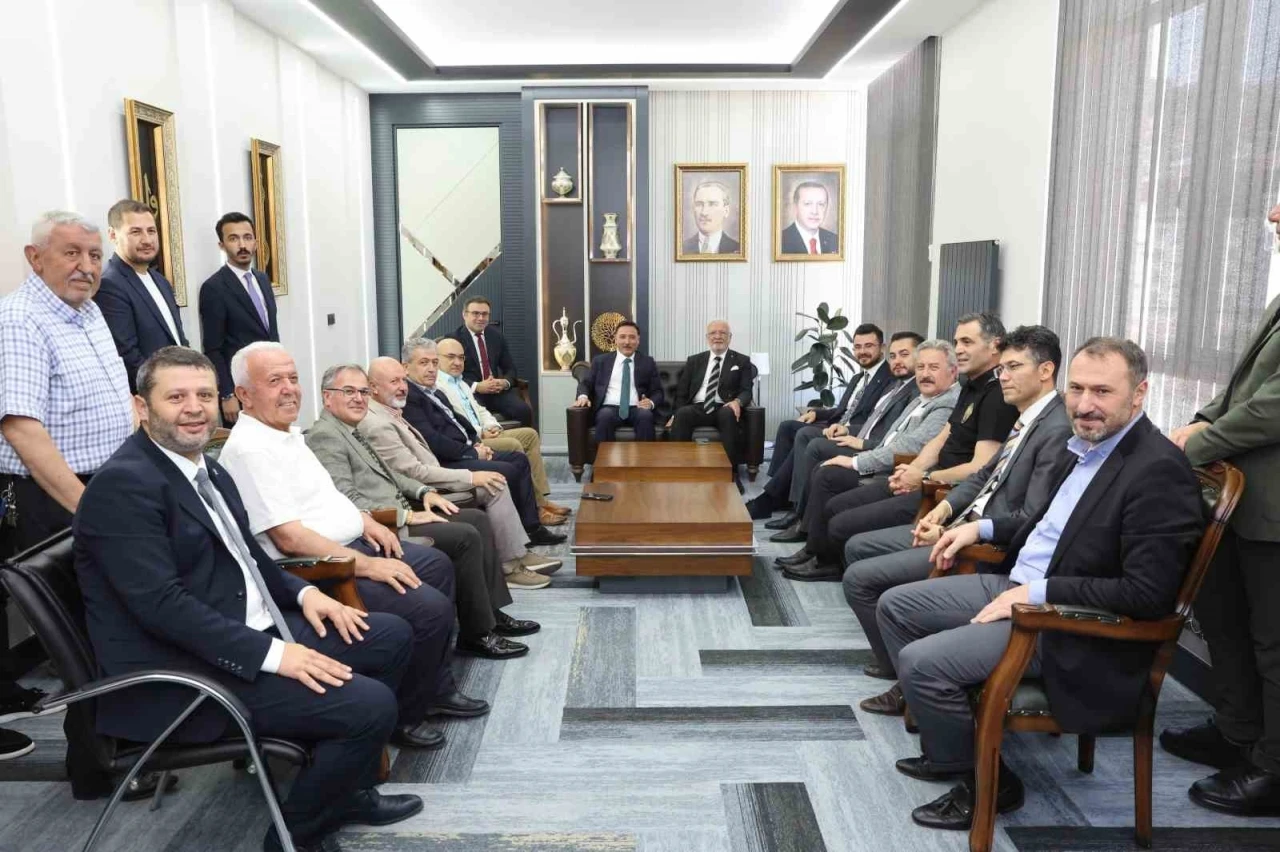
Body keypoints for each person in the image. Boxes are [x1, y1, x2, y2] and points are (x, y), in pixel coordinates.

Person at [74, 346, 424, 852]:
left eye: (203, 395)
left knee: (389, 636)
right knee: (369, 706)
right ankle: (294, 838)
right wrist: (278, 655)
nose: (194, 408)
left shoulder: (207, 469)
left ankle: (346, 788)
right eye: (176, 397)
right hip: (187, 672)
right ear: (141, 407)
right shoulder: (124, 486)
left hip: (241, 629)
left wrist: (307, 594)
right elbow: (162, 608)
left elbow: (251, 558)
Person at [878, 337, 1204, 830]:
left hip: (1066, 625)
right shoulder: (1088, 446)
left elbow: (1146, 595)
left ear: (1139, 394)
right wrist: (979, 529)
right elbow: (1046, 524)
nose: (1085, 404)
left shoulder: (1157, 471)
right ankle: (953, 746)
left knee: (922, 663)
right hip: (1020, 583)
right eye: (1077, 389)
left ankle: (989, 782)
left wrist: (1037, 594)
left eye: (1102, 391)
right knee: (895, 607)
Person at [216, 342, 487, 748]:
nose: (289, 388)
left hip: (354, 541)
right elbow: (289, 539)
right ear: (244, 394)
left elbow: (329, 497)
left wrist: (366, 521)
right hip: (323, 568)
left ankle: (434, 689)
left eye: (293, 378)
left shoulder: (288, 435)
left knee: (436, 564)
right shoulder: (250, 450)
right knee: (428, 608)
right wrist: (369, 564)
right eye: (274, 381)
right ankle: (404, 715)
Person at [0, 211, 156, 795]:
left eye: (93, 255)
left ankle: (127, 745)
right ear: (34, 257)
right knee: (83, 634)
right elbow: (20, 427)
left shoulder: (87, 311)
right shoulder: (20, 320)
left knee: (113, 621)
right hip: (56, 495)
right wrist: (88, 508)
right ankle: (96, 767)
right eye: (71, 253)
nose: (86, 266)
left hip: (103, 486)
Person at [848, 325, 1070, 712]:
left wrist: (965, 530)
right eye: (1002, 368)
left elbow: (1031, 518)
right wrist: (945, 509)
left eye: (1013, 367)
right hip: (959, 525)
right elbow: (984, 476)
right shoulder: (1028, 417)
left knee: (863, 580)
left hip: (985, 549)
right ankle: (908, 675)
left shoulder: (1057, 429)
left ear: (1046, 370)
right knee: (858, 554)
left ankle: (910, 684)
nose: (1004, 376)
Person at [1160, 202, 1280, 815]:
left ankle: (1273, 769)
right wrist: (1197, 421)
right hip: (1239, 501)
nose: (1273, 213)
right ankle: (1237, 731)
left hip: (1274, 512)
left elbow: (1273, 407)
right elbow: (1241, 391)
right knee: (1224, 620)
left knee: (1273, 645)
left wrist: (1198, 444)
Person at [307, 361, 546, 656]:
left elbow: (391, 475)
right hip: (383, 526)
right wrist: (406, 514)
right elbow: (346, 499)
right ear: (327, 397)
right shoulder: (326, 436)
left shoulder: (349, 429)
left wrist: (424, 492)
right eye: (349, 391)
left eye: (362, 392)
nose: (359, 398)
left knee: (476, 519)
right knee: (465, 535)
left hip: (401, 508)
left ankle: (491, 615)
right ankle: (477, 634)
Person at [777, 313, 1018, 561]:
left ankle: (821, 558)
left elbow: (981, 469)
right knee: (831, 498)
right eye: (957, 342)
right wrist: (913, 470)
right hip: (917, 474)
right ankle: (812, 548)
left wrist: (923, 476)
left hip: (942, 489)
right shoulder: (971, 387)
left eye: (967, 342)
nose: (959, 349)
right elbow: (939, 440)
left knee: (839, 516)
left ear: (995, 345)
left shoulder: (996, 395)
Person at [363, 356, 560, 587]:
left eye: (403, 381)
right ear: (373, 387)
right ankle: (510, 566)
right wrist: (470, 476)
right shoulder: (377, 423)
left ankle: (517, 555)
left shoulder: (391, 411)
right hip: (422, 492)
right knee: (494, 483)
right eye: (394, 381)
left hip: (434, 474)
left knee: (497, 478)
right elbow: (414, 473)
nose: (402, 387)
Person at [772, 339, 959, 546]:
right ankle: (806, 533)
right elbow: (886, 431)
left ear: (954, 371)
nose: (924, 374)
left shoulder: (945, 403)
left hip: (896, 471)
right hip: (881, 456)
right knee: (816, 457)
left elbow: (911, 445)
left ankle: (810, 542)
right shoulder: (921, 396)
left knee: (825, 471)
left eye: (933, 367)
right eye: (921, 367)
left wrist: (858, 458)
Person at [401, 338, 565, 547]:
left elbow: (461, 422)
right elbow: (433, 441)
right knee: (509, 469)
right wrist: (471, 452)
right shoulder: (410, 396)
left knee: (518, 460)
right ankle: (522, 536)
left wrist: (476, 442)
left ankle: (532, 527)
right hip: (446, 462)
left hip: (466, 448)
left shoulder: (434, 391)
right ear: (406, 367)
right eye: (424, 363)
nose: (432, 368)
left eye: (434, 363)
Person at [747, 324, 901, 521]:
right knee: (788, 427)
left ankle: (791, 505)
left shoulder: (889, 378)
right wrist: (816, 413)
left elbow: (875, 420)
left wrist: (846, 429)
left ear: (882, 347)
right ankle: (781, 494)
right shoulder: (858, 377)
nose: (862, 351)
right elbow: (842, 410)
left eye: (869, 346)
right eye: (857, 346)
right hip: (836, 426)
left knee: (805, 435)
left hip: (853, 434)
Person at [436, 337, 571, 526]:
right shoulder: (438, 386)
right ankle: (534, 508)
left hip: (486, 432)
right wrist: (481, 432)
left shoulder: (460, 382)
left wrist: (493, 426)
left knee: (530, 435)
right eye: (451, 357)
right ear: (437, 359)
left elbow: (480, 410)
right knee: (513, 444)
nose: (457, 362)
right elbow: (454, 421)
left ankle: (541, 500)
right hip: (472, 441)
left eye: (461, 357)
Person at [96, 199, 188, 391]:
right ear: (113, 235)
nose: (147, 240)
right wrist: (166, 389)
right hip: (150, 395)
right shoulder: (110, 285)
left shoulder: (160, 281)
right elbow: (127, 355)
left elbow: (178, 339)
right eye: (136, 232)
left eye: (151, 231)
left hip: (179, 389)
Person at [199, 212, 279, 426]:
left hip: (271, 383)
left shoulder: (262, 279)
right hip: (241, 390)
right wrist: (226, 393)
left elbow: (271, 334)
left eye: (247, 237)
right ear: (222, 245)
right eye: (233, 239)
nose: (242, 245)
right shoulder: (214, 288)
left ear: (256, 242)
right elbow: (213, 349)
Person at [571, 320, 665, 441]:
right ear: (615, 339)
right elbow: (586, 383)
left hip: (637, 407)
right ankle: (605, 454)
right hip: (609, 408)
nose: (627, 342)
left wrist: (650, 402)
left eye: (632, 337)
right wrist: (583, 397)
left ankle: (644, 454)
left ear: (638, 340)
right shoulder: (600, 361)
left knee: (645, 416)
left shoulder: (647, 362)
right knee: (605, 416)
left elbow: (658, 391)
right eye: (622, 337)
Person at [450, 296, 532, 427]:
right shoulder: (454, 339)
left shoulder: (496, 336)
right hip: (471, 392)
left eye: (485, 314)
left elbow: (510, 368)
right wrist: (477, 386)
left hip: (496, 391)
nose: (481, 318)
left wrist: (504, 383)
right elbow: (449, 375)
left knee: (524, 411)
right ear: (464, 315)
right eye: (476, 313)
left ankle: (523, 439)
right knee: (476, 416)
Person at [681, 181, 741, 255]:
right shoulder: (681, 248)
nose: (704, 212)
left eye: (712, 204)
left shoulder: (738, 249)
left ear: (726, 211)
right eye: (699, 204)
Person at [779, 181, 839, 255]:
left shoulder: (835, 240)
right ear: (795, 206)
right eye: (807, 204)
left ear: (826, 207)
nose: (814, 211)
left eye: (821, 204)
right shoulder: (781, 241)